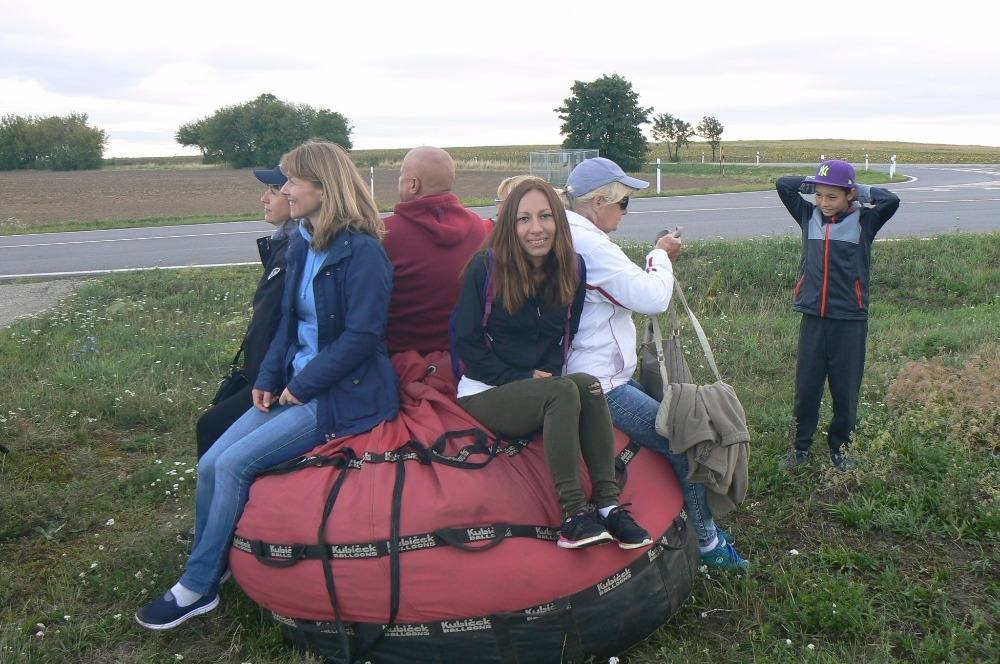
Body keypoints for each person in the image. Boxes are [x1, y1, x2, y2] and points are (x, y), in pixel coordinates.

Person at [136, 140, 399, 630]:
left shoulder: (364, 253)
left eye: (293, 182)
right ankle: (207, 559)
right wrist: (268, 377)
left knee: (235, 464)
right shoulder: (301, 239)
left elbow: (364, 336)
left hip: (344, 394)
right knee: (214, 458)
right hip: (293, 384)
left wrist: (302, 387)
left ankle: (199, 585)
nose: (284, 191)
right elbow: (286, 322)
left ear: (325, 187)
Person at [562, 157, 748, 572]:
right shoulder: (591, 246)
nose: (626, 212)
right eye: (624, 203)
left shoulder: (567, 234)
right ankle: (708, 543)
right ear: (597, 201)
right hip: (601, 382)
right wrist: (660, 255)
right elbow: (651, 297)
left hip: (581, 370)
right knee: (685, 441)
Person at [453, 178, 651, 550]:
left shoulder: (571, 268)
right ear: (510, 226)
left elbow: (565, 334)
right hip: (485, 389)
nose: (536, 228)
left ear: (559, 221)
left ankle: (608, 505)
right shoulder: (487, 267)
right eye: (524, 219)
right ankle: (574, 516)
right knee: (561, 389)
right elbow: (468, 345)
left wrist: (540, 379)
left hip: (537, 388)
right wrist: (523, 377)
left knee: (587, 384)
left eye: (545, 216)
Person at [776, 159, 900, 471]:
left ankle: (841, 448)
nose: (823, 203)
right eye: (819, 195)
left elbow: (891, 199)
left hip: (849, 320)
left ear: (850, 195)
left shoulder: (864, 222)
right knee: (806, 388)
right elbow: (784, 184)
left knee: (845, 390)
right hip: (813, 317)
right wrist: (817, 182)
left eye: (832, 197)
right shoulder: (808, 216)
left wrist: (857, 188)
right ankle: (800, 446)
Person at [195, 165, 295, 458]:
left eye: (275, 190)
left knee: (211, 427)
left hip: (280, 378)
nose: (265, 198)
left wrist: (268, 378)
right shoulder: (284, 244)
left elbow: (287, 324)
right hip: (266, 373)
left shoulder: (299, 249)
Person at [383, 146, 490, 355]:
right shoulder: (477, 226)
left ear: (413, 184)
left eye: (401, 176)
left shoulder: (385, 233)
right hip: (465, 356)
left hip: (402, 360)